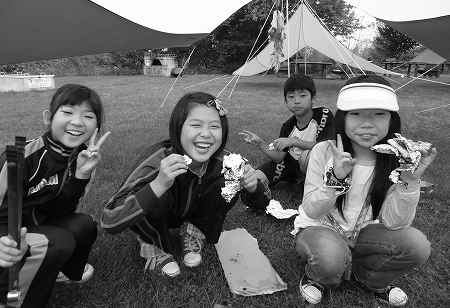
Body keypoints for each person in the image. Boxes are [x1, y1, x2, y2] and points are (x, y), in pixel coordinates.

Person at [291, 75, 437, 306]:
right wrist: (336, 177)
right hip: (320, 226)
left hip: (365, 232)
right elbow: (312, 209)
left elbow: (394, 223)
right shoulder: (323, 151)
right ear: (343, 118)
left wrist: (409, 180)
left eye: (379, 113)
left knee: (417, 246)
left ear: (392, 119)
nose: (367, 123)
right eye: (356, 113)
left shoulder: (396, 159)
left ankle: (371, 279)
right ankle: (319, 277)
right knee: (330, 259)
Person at [101, 92, 270, 278]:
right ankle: (153, 244)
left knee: (229, 181)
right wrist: (158, 184)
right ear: (178, 128)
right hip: (161, 213)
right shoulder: (158, 160)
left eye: (214, 126)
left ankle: (193, 231)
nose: (206, 134)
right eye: (196, 125)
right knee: (151, 190)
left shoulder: (226, 161)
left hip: (194, 210)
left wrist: (254, 187)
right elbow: (110, 219)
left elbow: (262, 204)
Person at [0, 84, 110, 308]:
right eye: (68, 112)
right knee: (58, 241)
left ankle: (61, 273)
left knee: (84, 225)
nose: (78, 122)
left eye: (88, 116)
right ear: (48, 118)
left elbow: (62, 212)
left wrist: (80, 175)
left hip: (36, 227)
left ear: (96, 125)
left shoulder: (82, 158)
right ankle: (11, 301)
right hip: (6, 237)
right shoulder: (19, 156)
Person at [239, 74, 334, 201]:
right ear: (286, 102)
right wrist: (260, 143)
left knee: (306, 156)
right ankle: (258, 197)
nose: (297, 100)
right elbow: (279, 158)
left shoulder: (323, 115)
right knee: (255, 177)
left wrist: (293, 141)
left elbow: (326, 145)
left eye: (303, 95)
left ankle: (307, 187)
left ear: (313, 98)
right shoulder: (288, 126)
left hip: (317, 164)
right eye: (291, 97)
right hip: (290, 164)